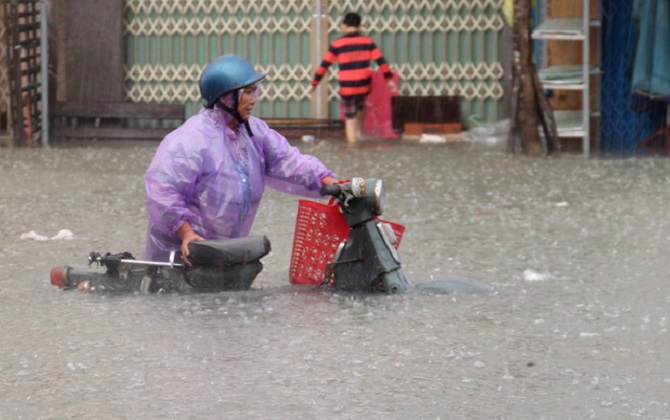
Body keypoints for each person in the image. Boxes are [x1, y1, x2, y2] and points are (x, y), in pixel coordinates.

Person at [144, 54, 338, 265]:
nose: (253, 99)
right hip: (183, 255)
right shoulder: (190, 140)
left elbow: (287, 159)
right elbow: (162, 191)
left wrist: (330, 182)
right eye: (246, 93)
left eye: (254, 91)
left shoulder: (254, 131)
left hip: (226, 253)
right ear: (225, 97)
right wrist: (186, 233)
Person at [309, 12, 397, 146]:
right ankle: (360, 133)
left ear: (343, 26)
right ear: (360, 26)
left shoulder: (337, 44)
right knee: (360, 105)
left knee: (349, 117)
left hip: (347, 87)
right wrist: (389, 80)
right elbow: (381, 62)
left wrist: (314, 84)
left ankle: (353, 146)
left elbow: (324, 66)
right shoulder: (367, 42)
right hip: (363, 85)